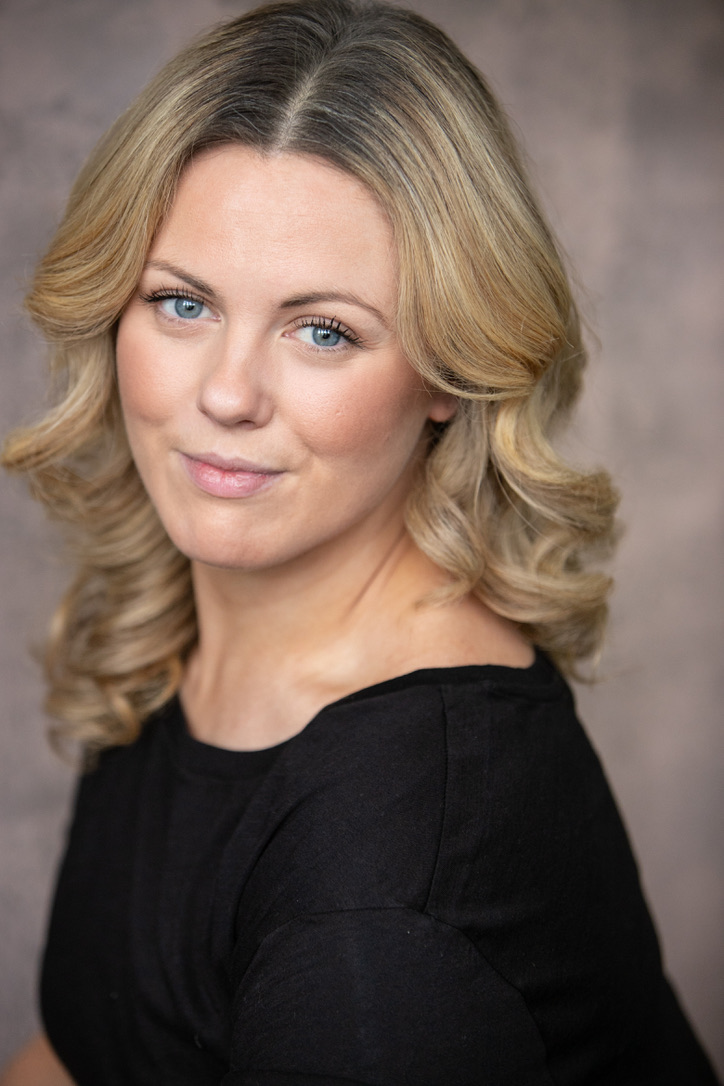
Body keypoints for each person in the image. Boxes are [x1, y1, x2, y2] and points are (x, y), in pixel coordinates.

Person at [0, 1, 719, 1083]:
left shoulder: (385, 920)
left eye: (323, 330)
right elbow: (86, 1053)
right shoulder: (180, 631)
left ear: (449, 371)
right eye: (183, 304)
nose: (227, 393)